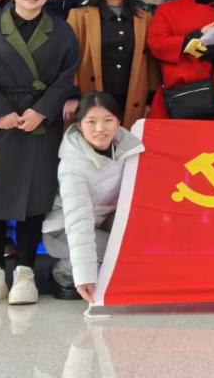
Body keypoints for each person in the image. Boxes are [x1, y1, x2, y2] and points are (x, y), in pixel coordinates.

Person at [0, 0, 79, 306]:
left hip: (39, 123)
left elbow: (67, 75)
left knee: (34, 198)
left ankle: (25, 272)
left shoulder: (61, 30)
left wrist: (42, 110)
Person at [42, 93, 143, 302]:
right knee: (122, 251)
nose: (100, 128)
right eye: (91, 121)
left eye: (108, 120)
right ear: (79, 125)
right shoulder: (72, 165)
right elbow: (78, 219)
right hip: (63, 231)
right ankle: (64, 272)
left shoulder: (129, 147)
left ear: (118, 121)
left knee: (138, 238)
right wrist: (85, 276)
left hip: (103, 220)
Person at [67, 0, 151, 129]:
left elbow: (151, 62)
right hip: (90, 92)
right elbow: (68, 59)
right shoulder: (79, 16)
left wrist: (150, 98)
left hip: (131, 95)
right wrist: (71, 95)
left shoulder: (144, 18)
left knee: (128, 139)